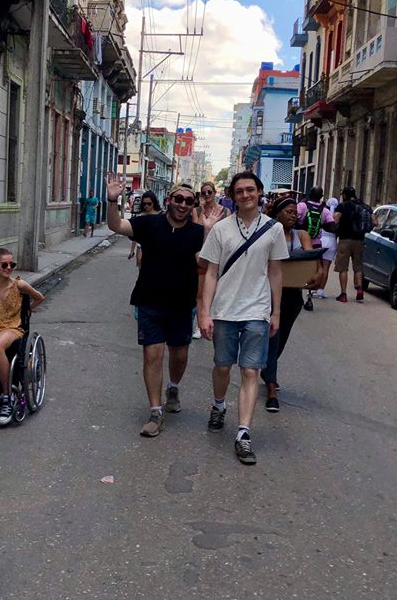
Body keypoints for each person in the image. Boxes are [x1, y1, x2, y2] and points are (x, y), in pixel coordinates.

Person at [199, 172, 288, 465]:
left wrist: (275, 311)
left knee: (250, 371)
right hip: (224, 311)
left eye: (251, 190)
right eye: (240, 191)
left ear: (260, 193)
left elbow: (275, 272)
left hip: (257, 311)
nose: (246, 195)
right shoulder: (221, 230)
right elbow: (210, 272)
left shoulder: (273, 230)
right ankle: (219, 404)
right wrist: (205, 311)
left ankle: (244, 433)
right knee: (222, 366)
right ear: (233, 195)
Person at [106, 176, 205, 437]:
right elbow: (116, 225)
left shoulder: (198, 232)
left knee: (179, 354)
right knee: (152, 355)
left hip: (182, 304)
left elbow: (206, 267)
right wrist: (113, 200)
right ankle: (155, 412)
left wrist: (210, 232)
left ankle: (173, 387)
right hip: (149, 300)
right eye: (179, 199)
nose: (183, 205)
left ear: (193, 205)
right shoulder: (150, 223)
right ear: (170, 200)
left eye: (189, 201)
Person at [262, 197, 318, 412]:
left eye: (295, 212)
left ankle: (267, 370)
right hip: (269, 294)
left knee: (281, 339)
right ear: (277, 214)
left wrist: (316, 272)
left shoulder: (301, 235)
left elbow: (309, 259)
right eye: (288, 211)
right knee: (273, 338)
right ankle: (271, 389)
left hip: (293, 296)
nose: (294, 215)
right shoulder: (268, 233)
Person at [0, 248, 45, 426]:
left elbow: (40, 298)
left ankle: (6, 397)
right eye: (5, 264)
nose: (9, 268)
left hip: (12, 326)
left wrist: (26, 311)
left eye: (12, 264)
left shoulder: (19, 285)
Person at [297, 186, 334, 310]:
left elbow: (294, 219)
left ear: (309, 194)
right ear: (321, 196)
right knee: (316, 270)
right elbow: (332, 227)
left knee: (297, 268)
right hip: (316, 245)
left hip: (300, 242)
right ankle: (309, 297)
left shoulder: (302, 206)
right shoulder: (325, 211)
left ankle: (295, 291)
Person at [333, 186, 370, 303]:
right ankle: (359, 289)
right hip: (359, 240)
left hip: (345, 239)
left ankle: (343, 294)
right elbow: (375, 222)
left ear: (344, 195)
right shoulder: (365, 206)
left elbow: (335, 219)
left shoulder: (342, 206)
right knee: (358, 266)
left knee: (343, 268)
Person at [127, 191, 161, 265]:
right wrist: (132, 250)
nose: (146, 206)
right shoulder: (140, 217)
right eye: (144, 204)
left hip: (156, 248)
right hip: (141, 247)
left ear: (154, 203)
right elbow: (135, 235)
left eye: (149, 204)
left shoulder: (161, 216)